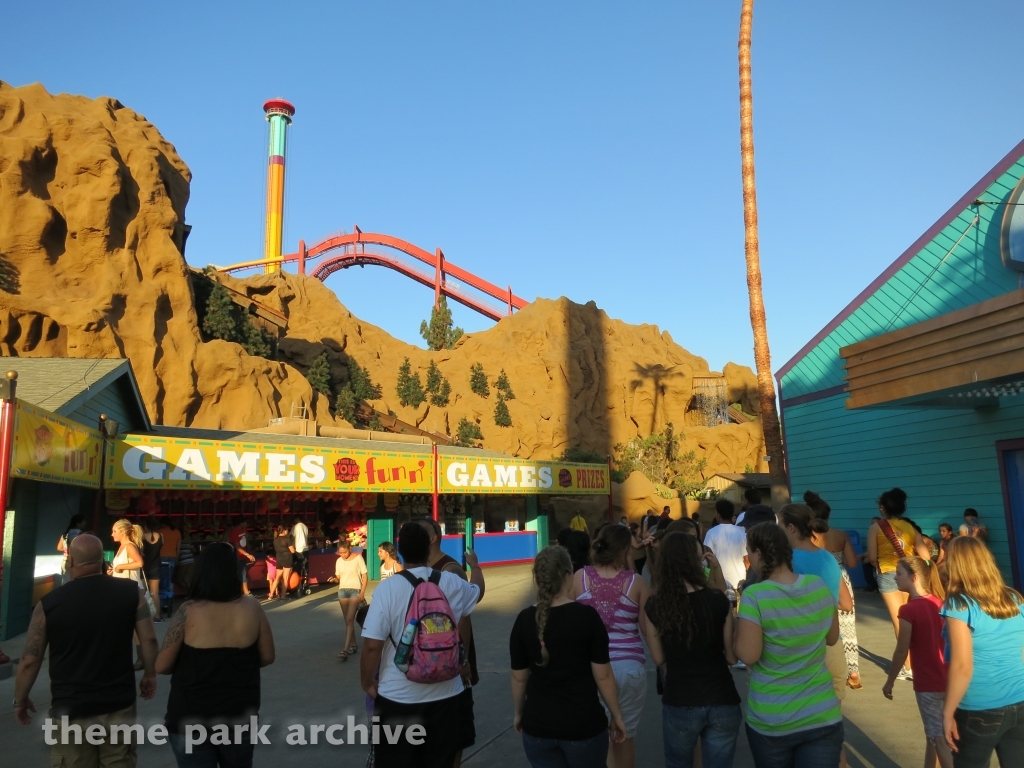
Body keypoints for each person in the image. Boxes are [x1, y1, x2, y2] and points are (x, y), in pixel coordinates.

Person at [14, 534, 159, 768]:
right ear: (102, 560)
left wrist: (20, 700)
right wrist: (150, 674)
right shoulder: (132, 593)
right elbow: (149, 639)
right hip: (118, 704)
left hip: (71, 710)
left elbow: (30, 660)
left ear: (71, 562)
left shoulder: (49, 604)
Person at [361, 522, 485, 768]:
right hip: (447, 695)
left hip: (399, 697)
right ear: (428, 549)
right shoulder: (450, 582)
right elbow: (478, 592)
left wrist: (366, 682)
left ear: (401, 550)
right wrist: (476, 566)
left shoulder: (388, 589)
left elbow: (373, 646)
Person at [157, 541, 276, 768]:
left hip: (191, 717)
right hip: (239, 714)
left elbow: (162, 665)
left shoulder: (188, 610)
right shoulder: (253, 608)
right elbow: (268, 656)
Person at [735, 522, 843, 768]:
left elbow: (748, 655)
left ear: (759, 554)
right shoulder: (818, 586)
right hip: (822, 714)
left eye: (749, 551)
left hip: (774, 719)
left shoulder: (754, 596)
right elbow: (832, 638)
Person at [511, 545, 626, 767]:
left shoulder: (524, 620)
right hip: (583, 725)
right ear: (566, 575)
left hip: (538, 725)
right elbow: (603, 676)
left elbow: (519, 677)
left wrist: (518, 713)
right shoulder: (587, 617)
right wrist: (617, 716)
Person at [646, 532, 741, 768]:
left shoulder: (656, 606)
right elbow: (731, 657)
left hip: (680, 698)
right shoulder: (718, 601)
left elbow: (658, 658)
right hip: (721, 697)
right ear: (698, 561)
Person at [941, 537, 1024, 766]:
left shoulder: (959, 605)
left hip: (979, 708)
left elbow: (962, 666)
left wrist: (947, 713)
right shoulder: (1014, 598)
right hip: (1020, 699)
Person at [573, 524, 651, 768]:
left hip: (590, 669)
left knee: (597, 739)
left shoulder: (579, 577)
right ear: (626, 550)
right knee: (624, 736)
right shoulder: (637, 583)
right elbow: (648, 631)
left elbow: (571, 624)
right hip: (629, 668)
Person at [418, 517, 478, 767]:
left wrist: (462, 658)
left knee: (455, 729)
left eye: (421, 531)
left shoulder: (450, 569)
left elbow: (464, 616)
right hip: (428, 658)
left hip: (452, 658)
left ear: (433, 537)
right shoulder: (418, 568)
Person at [881, 557, 951, 768]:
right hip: (948, 679)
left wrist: (890, 680)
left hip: (927, 683)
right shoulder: (940, 603)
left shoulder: (909, 610)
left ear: (914, 577)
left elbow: (902, 649)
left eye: (899, 573)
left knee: (938, 738)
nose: (895, 577)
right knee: (935, 732)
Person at [867, 487, 932, 680]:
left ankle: (908, 667)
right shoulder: (910, 527)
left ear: (882, 508)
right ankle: (919, 661)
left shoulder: (876, 527)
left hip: (888, 574)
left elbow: (872, 557)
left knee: (900, 621)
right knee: (912, 618)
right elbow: (926, 556)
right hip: (911, 575)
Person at [805, 490, 863, 690]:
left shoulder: (809, 538)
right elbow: (853, 563)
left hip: (816, 578)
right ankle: (853, 673)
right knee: (848, 626)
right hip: (840, 577)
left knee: (819, 625)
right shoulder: (840, 535)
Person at [703, 499, 748, 602]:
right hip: (739, 582)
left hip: (719, 583)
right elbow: (746, 559)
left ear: (718, 514)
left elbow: (708, 560)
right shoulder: (741, 532)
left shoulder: (711, 533)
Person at [329, 539, 367, 661]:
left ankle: (345, 650)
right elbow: (338, 578)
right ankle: (354, 644)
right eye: (340, 553)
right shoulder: (339, 561)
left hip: (355, 590)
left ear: (349, 549)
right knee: (348, 620)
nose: (342, 555)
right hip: (342, 591)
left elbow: (364, 576)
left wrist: (362, 592)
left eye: (344, 552)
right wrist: (333, 580)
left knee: (350, 619)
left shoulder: (358, 558)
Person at [225, 516, 255, 596]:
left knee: (243, 574)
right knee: (238, 574)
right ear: (240, 523)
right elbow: (237, 546)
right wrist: (247, 554)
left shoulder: (244, 530)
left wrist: (249, 552)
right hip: (236, 557)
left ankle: (246, 591)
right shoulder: (234, 531)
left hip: (243, 556)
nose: (246, 524)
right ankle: (238, 592)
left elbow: (246, 542)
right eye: (245, 522)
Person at [141, 516, 164, 621]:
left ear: (146, 526)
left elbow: (140, 551)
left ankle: (144, 617)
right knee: (155, 593)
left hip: (144, 567)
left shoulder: (142, 537)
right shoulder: (161, 536)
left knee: (143, 592)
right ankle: (157, 616)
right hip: (155, 567)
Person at [269, 524, 296, 599]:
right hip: (287, 559)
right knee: (285, 578)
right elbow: (292, 551)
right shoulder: (287, 539)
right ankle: (283, 596)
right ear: (284, 531)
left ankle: (271, 595)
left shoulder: (275, 539)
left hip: (279, 559)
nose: (288, 531)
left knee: (277, 578)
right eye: (287, 530)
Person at [56, 513, 85, 584]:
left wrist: (66, 550)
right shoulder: (80, 534)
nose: (85, 523)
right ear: (78, 523)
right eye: (83, 521)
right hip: (75, 562)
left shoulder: (65, 534)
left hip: (65, 561)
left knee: (66, 583)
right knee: (75, 584)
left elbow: (59, 548)